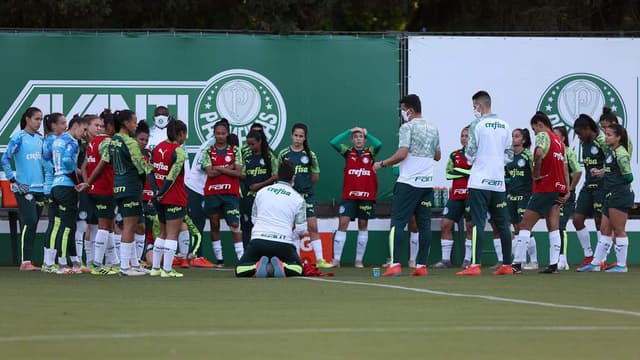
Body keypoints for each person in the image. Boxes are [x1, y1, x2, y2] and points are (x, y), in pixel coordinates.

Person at [373, 94, 441, 277]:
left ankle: (395, 264)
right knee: (424, 225)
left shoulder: (407, 127)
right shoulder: (433, 129)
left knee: (397, 222)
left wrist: (382, 164)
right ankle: (421, 266)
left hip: (408, 182)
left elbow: (402, 153)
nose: (402, 113)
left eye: (403, 109)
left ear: (410, 109)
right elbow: (437, 156)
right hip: (426, 184)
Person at [456, 91, 513, 276]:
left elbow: (470, 154)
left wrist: (479, 160)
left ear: (479, 106)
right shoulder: (505, 125)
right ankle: (507, 264)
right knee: (503, 224)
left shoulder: (477, 124)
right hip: (498, 182)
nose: (474, 110)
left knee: (478, 223)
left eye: (474, 107)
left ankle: (475, 265)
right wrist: (496, 163)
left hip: (479, 181)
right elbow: (509, 156)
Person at [511, 112, 570, 274]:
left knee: (524, 225)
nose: (535, 133)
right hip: (558, 187)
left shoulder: (544, 135)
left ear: (539, 124)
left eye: (534, 129)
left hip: (545, 186)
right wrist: (567, 189)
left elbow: (538, 153)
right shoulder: (559, 141)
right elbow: (565, 167)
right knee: (553, 226)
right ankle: (553, 265)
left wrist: (536, 173)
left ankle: (516, 264)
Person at [235, 160, 305, 278]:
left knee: (240, 268)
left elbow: (254, 219)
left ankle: (255, 266)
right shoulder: (298, 198)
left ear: (277, 175)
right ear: (293, 177)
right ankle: (283, 266)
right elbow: (301, 229)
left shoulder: (262, 192)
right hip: (283, 243)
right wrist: (288, 235)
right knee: (298, 268)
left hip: (259, 240)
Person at [577, 124, 633, 273]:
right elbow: (611, 170)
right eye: (606, 134)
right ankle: (596, 262)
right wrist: (601, 172)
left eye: (609, 135)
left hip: (618, 194)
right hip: (609, 194)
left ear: (618, 137)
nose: (606, 137)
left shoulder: (621, 153)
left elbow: (629, 176)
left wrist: (617, 186)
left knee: (618, 229)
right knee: (604, 229)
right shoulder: (611, 152)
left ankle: (622, 265)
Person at [278, 123, 333, 268]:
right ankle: (296, 260)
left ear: (305, 138)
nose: (297, 139)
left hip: (307, 196)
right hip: (290, 197)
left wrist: (306, 186)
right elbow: (280, 175)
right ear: (291, 136)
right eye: (295, 135)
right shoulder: (284, 154)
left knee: (313, 226)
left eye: (301, 136)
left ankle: (320, 260)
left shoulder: (310, 155)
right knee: (293, 228)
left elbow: (315, 175)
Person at [329, 126, 382, 268]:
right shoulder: (348, 152)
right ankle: (337, 260)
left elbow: (379, 144)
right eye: (356, 137)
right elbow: (333, 143)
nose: (359, 139)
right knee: (343, 224)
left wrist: (368, 133)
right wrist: (348, 131)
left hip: (366, 195)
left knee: (363, 225)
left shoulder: (370, 153)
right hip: (349, 195)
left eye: (361, 137)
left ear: (364, 140)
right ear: (352, 140)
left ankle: (359, 260)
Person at [106, 110, 150, 276]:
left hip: (119, 185)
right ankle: (125, 267)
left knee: (131, 225)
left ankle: (134, 264)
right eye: (134, 122)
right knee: (130, 226)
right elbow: (141, 167)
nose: (136, 125)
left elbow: (108, 161)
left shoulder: (113, 140)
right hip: (131, 185)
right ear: (125, 123)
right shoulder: (130, 142)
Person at [1, 107, 45, 271]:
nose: (39, 122)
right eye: (36, 119)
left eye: (41, 119)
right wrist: (13, 180)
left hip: (40, 189)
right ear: (27, 119)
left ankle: (29, 261)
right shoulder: (18, 138)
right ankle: (25, 261)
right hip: (24, 189)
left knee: (34, 224)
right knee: (30, 220)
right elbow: (5, 159)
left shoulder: (41, 139)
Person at [200, 120, 244, 265]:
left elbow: (238, 172)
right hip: (212, 192)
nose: (220, 136)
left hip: (230, 194)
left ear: (228, 134)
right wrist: (227, 168)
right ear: (214, 134)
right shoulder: (208, 151)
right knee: (214, 224)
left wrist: (218, 167)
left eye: (223, 133)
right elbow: (210, 173)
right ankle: (219, 259)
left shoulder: (235, 150)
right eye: (217, 133)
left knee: (234, 224)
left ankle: (241, 258)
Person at [79, 112, 118, 275]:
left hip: (95, 190)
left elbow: (84, 167)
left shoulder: (92, 143)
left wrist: (88, 184)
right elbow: (101, 166)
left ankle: (114, 262)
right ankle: (96, 264)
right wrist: (89, 183)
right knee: (104, 226)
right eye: (98, 125)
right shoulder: (107, 142)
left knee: (108, 226)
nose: (100, 128)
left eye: (101, 125)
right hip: (105, 189)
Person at [50, 115, 89, 274]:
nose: (85, 134)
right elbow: (66, 161)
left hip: (56, 185)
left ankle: (75, 263)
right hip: (66, 186)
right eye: (84, 129)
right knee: (67, 227)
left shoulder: (58, 139)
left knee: (68, 225)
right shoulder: (72, 142)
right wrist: (76, 177)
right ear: (76, 126)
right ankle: (61, 264)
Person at [150, 119, 189, 278]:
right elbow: (172, 176)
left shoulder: (158, 147)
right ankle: (166, 270)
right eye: (185, 134)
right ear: (180, 134)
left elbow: (149, 171)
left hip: (159, 197)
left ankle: (155, 269)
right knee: (172, 234)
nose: (185, 137)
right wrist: (162, 192)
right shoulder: (179, 151)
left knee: (162, 233)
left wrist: (156, 192)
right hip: (174, 197)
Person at [432, 126, 472, 269]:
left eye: (467, 135)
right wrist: (466, 172)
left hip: (471, 195)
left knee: (470, 227)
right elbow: (449, 174)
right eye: (462, 135)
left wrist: (460, 171)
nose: (464, 138)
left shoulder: (478, 155)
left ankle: (467, 260)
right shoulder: (454, 155)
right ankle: (445, 260)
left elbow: (476, 173)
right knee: (445, 224)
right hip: (455, 196)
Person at [572, 114, 606, 268]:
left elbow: (614, 162)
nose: (578, 136)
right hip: (588, 186)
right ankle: (588, 255)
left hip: (602, 186)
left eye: (579, 133)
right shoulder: (584, 143)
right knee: (577, 219)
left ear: (587, 129)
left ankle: (601, 259)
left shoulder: (602, 141)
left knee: (600, 222)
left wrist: (602, 172)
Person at [503, 128, 537, 270]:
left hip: (525, 195)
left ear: (523, 140)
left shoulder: (528, 155)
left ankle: (534, 261)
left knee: (525, 226)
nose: (513, 138)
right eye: (512, 136)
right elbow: (507, 176)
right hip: (512, 196)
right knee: (516, 227)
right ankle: (520, 261)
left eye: (516, 136)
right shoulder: (508, 156)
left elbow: (535, 174)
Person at [240, 129, 278, 248]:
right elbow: (243, 174)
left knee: (263, 225)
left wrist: (259, 185)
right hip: (249, 197)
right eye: (248, 144)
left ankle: (264, 254)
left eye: (253, 144)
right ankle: (247, 254)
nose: (250, 147)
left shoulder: (269, 156)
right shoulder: (246, 156)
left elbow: (276, 176)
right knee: (247, 225)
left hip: (265, 197)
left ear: (260, 141)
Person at [553, 125, 582, 270]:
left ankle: (562, 258)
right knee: (554, 225)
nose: (553, 138)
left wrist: (569, 189)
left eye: (556, 135)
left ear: (563, 138)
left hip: (565, 195)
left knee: (561, 225)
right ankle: (555, 258)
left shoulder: (568, 152)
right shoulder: (551, 153)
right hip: (553, 194)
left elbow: (577, 171)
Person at [40, 113, 66, 273]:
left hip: (52, 186)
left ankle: (48, 261)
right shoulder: (52, 141)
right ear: (53, 126)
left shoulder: (50, 141)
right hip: (53, 187)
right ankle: (48, 262)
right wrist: (59, 172)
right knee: (55, 223)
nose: (65, 126)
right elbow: (47, 163)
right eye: (62, 123)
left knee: (55, 223)